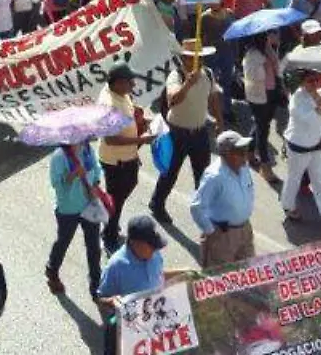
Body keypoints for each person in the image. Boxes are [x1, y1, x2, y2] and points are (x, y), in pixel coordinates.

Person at [150, 39, 224, 225]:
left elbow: (213, 97)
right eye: (192, 58)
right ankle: (157, 204)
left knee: (203, 174)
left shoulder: (207, 73)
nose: (197, 62)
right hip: (177, 133)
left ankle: (203, 208)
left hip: (199, 132)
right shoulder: (175, 77)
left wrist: (219, 122)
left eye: (200, 58)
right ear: (183, 58)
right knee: (170, 172)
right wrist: (188, 84)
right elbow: (172, 100)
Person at [97, 216, 175, 355]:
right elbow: (101, 299)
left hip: (156, 322)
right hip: (130, 330)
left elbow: (159, 275)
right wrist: (112, 301)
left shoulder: (154, 254)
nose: (154, 249)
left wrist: (185, 272)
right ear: (135, 243)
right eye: (150, 245)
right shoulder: (117, 266)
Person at [280, 70, 321, 229]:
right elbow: (307, 120)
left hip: (319, 146)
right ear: (302, 82)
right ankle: (288, 206)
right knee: (294, 178)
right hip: (300, 146)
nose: (316, 83)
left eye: (317, 79)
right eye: (311, 80)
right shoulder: (297, 98)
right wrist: (320, 105)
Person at [97, 65, 152, 254]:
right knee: (116, 199)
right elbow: (110, 139)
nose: (133, 84)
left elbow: (126, 108)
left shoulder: (121, 94)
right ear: (119, 83)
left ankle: (109, 221)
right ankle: (109, 235)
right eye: (130, 81)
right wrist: (141, 140)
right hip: (115, 161)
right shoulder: (108, 105)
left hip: (128, 156)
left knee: (127, 187)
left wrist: (137, 116)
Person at [45, 136, 104, 300]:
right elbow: (56, 183)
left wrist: (96, 183)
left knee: (94, 246)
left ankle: (95, 283)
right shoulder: (59, 156)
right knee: (63, 241)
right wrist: (71, 176)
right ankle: (52, 269)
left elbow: (97, 169)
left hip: (89, 205)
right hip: (68, 209)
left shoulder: (87, 149)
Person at [191, 131, 258, 268]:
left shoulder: (243, 168)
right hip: (222, 235)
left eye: (245, 150)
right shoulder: (214, 177)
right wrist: (210, 231)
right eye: (240, 151)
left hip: (244, 230)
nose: (245, 154)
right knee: (218, 278)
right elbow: (196, 207)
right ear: (228, 154)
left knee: (248, 272)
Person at [242, 32, 283, 185]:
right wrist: (265, 64)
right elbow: (256, 77)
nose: (266, 40)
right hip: (258, 96)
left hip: (271, 93)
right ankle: (266, 167)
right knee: (263, 129)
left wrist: (273, 56)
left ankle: (249, 152)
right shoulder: (251, 55)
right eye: (263, 38)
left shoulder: (268, 48)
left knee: (261, 124)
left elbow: (277, 68)